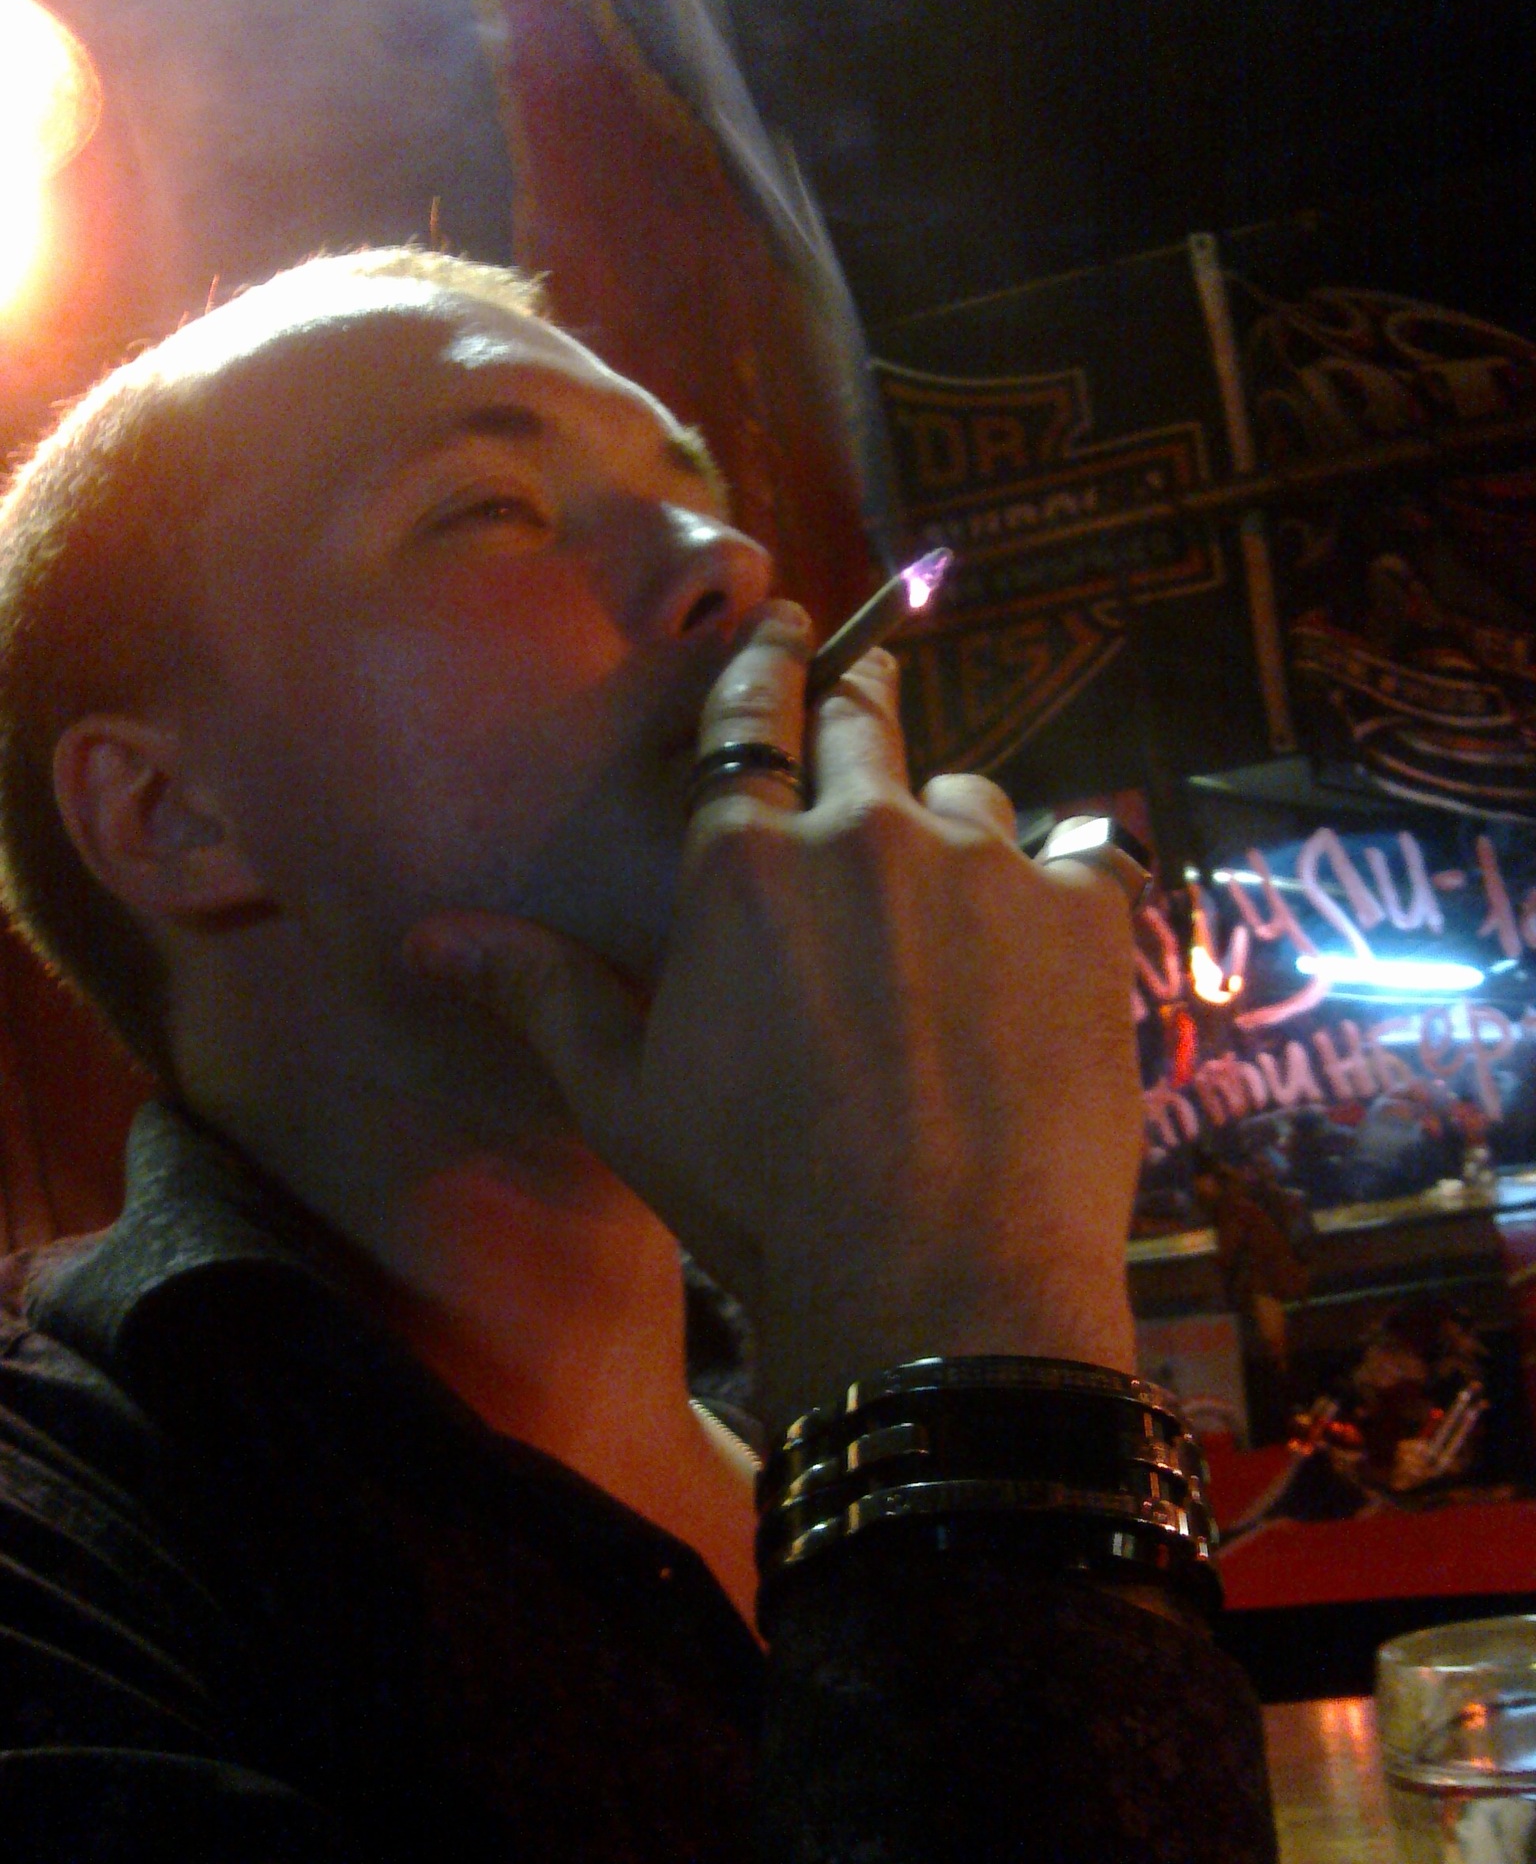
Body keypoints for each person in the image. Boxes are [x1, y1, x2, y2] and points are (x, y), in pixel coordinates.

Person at [0, 249, 1275, 1859]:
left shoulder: (791, 1400)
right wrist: (969, 1340)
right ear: (169, 814)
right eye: (487, 507)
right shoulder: (61, 1547)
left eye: (700, 494)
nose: (731, 564)